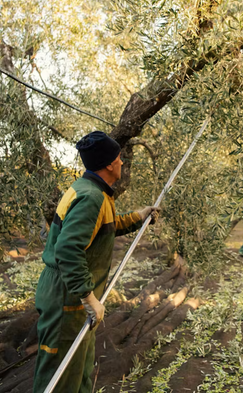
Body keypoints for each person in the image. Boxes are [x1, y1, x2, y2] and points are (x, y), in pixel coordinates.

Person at [33, 131, 160, 392]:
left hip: (72, 299)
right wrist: (88, 297)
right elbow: (67, 250)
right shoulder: (91, 197)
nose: (122, 162)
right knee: (60, 376)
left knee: (79, 371)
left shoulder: (90, 190)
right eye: (119, 158)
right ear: (109, 164)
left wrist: (138, 216)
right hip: (66, 300)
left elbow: (104, 227)